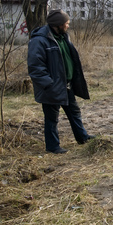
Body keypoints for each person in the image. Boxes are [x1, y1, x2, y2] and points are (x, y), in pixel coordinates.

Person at [27, 9, 94, 154]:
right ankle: (53, 147)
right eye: (66, 23)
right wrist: (49, 84)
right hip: (51, 88)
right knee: (52, 118)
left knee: (74, 112)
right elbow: (35, 67)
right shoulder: (39, 40)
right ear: (58, 25)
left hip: (66, 86)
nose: (68, 25)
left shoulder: (63, 37)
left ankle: (82, 138)